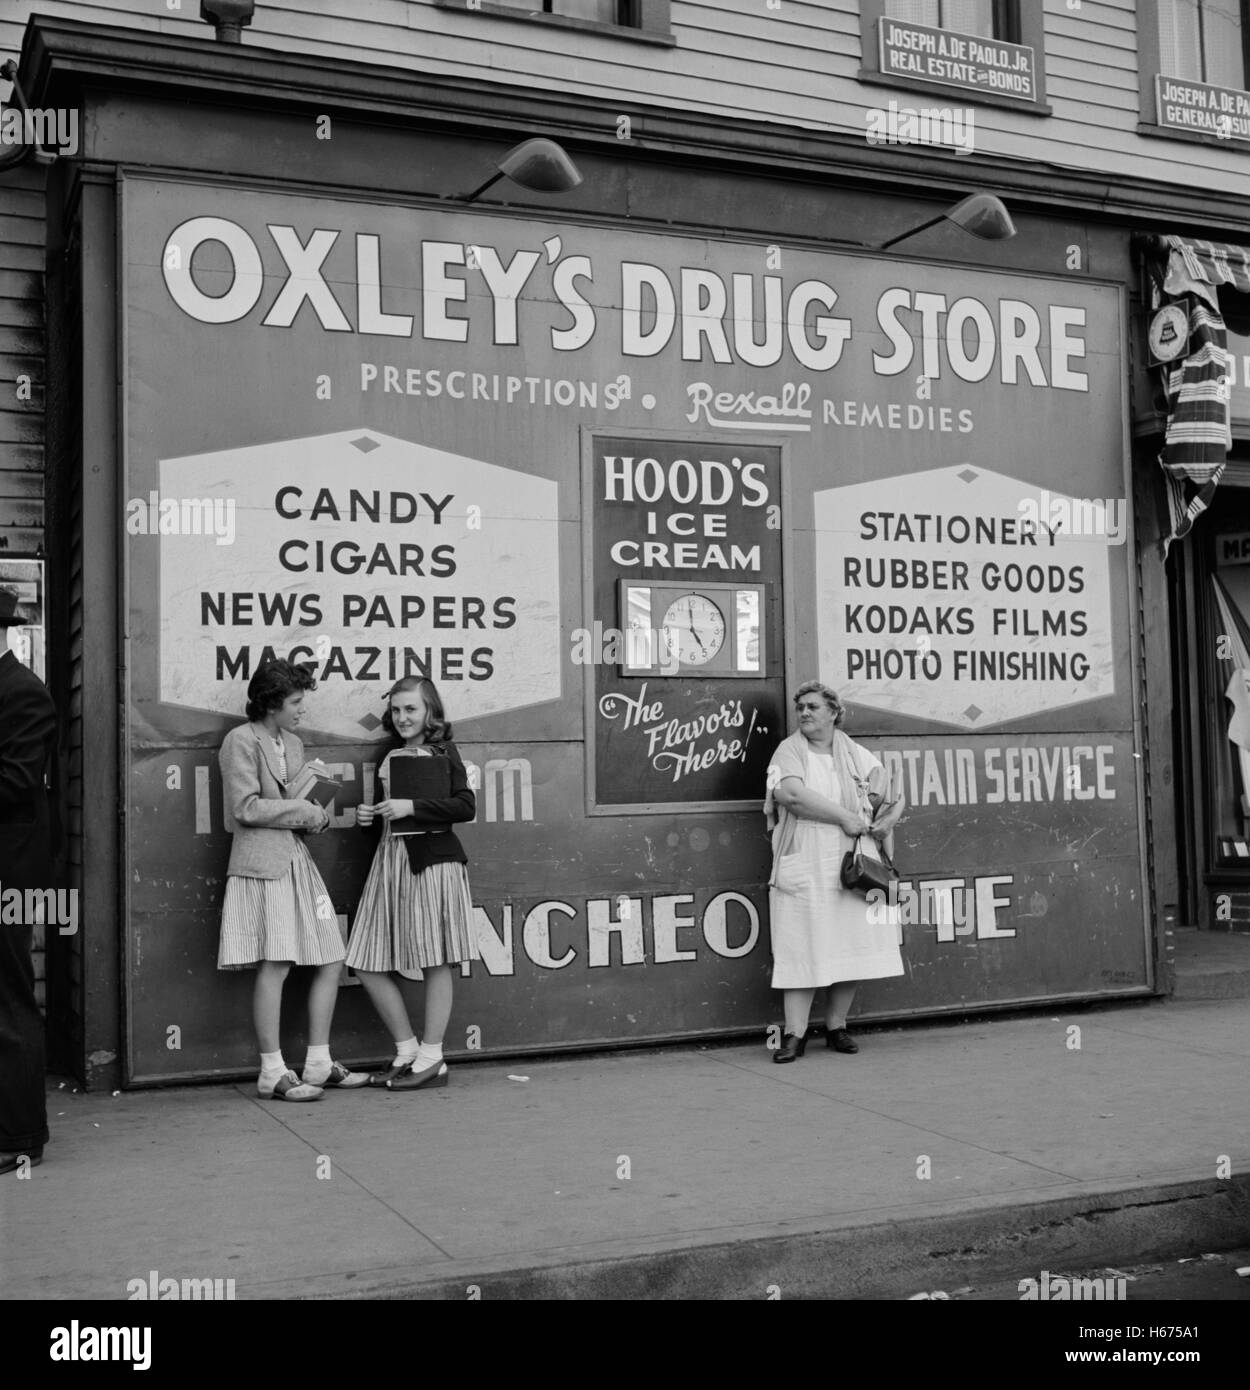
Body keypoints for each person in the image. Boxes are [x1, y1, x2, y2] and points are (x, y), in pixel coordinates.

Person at [218, 659, 368, 1100]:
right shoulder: (240, 741)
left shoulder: (294, 743)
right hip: (262, 865)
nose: (302, 710)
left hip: (296, 860)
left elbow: (290, 811)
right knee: (277, 961)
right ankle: (272, 1071)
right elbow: (244, 808)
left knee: (330, 956)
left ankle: (318, 1063)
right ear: (271, 703)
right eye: (296, 702)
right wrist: (304, 808)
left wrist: (314, 803)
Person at [347, 676, 480, 1091]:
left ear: (430, 713)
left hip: (432, 864)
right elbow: (389, 824)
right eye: (398, 710)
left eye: (412, 709)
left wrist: (412, 806)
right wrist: (369, 820)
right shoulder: (390, 757)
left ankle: (433, 1055)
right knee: (365, 959)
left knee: (435, 958)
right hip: (390, 863)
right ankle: (407, 1050)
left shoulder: (444, 751)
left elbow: (465, 806)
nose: (403, 717)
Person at [763, 680, 905, 1062]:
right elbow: (789, 795)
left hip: (851, 861)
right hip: (806, 855)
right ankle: (793, 1035)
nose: (805, 713)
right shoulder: (787, 752)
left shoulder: (857, 754)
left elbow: (885, 799)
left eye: (813, 707)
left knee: (848, 944)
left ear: (834, 713)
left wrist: (882, 822)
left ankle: (837, 1027)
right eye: (801, 708)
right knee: (802, 944)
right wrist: (845, 816)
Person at [0, 585, 56, 1174]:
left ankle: (19, 1136)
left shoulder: (24, 692)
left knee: (10, 999)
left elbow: (15, 783)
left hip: (13, 877)